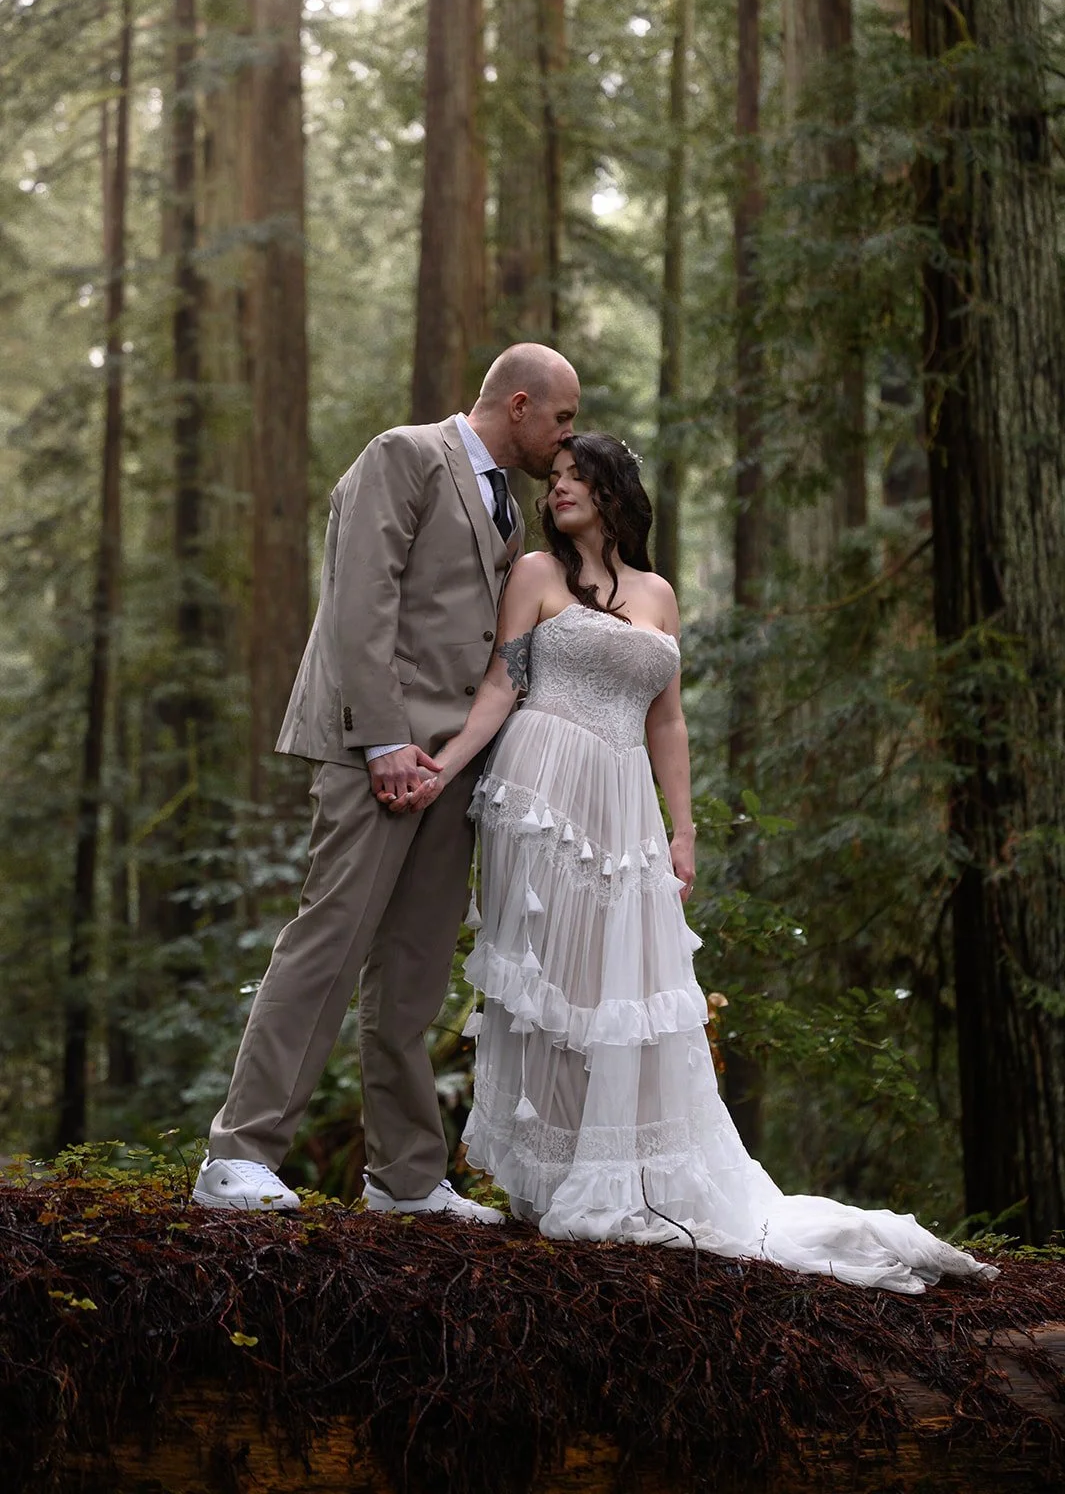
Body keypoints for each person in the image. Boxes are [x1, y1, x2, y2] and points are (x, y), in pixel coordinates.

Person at [405, 432, 997, 1292]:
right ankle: (556, 1175)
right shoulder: (533, 574)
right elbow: (502, 684)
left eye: (577, 478)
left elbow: (666, 721)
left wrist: (681, 829)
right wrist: (444, 768)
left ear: (615, 493)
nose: (559, 490)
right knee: (557, 979)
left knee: (626, 987)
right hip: (540, 787)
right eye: (555, 480)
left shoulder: (658, 593)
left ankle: (625, 1173)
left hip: (622, 798)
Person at [192, 343, 581, 1219]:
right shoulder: (405, 455)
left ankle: (405, 1179)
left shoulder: (507, 505)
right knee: (328, 942)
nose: (568, 438)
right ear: (517, 404)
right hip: (379, 755)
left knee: (410, 974)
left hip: (449, 768)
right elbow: (358, 601)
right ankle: (239, 1154)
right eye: (561, 418)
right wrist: (381, 742)